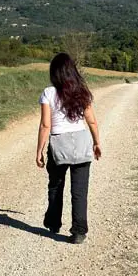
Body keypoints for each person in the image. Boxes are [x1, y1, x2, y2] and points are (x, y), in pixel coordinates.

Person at [36, 53, 101, 243]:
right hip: (81, 143)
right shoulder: (82, 92)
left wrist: (39, 150)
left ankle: (54, 223)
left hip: (58, 145)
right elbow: (92, 121)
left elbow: (45, 125)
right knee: (80, 191)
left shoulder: (48, 93)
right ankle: (79, 231)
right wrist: (97, 142)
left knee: (56, 186)